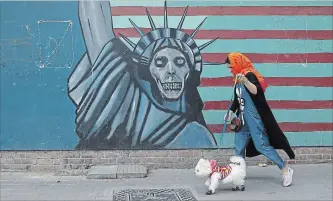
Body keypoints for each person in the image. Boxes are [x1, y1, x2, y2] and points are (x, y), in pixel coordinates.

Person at [223, 52, 295, 187]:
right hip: (242, 120)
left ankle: (285, 169)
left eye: (231, 67)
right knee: (238, 148)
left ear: (238, 64)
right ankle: (239, 175)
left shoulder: (249, 75)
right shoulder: (236, 78)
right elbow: (237, 99)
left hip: (254, 119)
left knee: (262, 146)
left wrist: (245, 80)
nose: (229, 70)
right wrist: (231, 112)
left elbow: (257, 91)